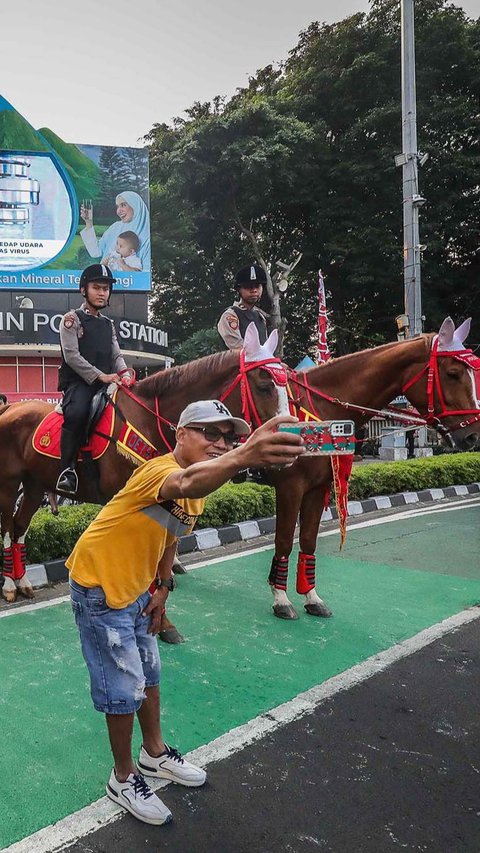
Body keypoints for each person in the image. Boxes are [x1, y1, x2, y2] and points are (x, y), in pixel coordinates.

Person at [66, 400, 304, 826]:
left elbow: (171, 533)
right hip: (100, 587)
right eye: (208, 433)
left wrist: (162, 587)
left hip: (140, 589)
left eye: (227, 436)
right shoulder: (161, 472)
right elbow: (187, 483)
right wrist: (244, 454)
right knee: (122, 687)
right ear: (180, 434)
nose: (220, 443)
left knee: (150, 676)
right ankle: (122, 778)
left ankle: (154, 754)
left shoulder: (202, 487)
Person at [56, 263, 133, 496]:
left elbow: (116, 355)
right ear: (84, 290)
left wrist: (125, 374)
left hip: (109, 381)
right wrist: (100, 376)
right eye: (97, 287)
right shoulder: (71, 319)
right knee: (78, 412)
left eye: (106, 288)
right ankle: (67, 470)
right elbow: (72, 356)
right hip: (80, 383)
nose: (102, 292)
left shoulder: (108, 324)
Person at [80, 191, 150, 271]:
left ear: (135, 205)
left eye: (123, 205)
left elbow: (145, 275)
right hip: (105, 281)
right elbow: (96, 252)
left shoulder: (147, 237)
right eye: (117, 206)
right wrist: (88, 222)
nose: (118, 211)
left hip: (129, 282)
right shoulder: (115, 227)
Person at [217, 263, 269, 349]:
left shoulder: (260, 317)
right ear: (239, 289)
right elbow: (239, 349)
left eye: (257, 286)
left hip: (261, 361)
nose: (254, 290)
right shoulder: (230, 315)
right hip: (239, 362)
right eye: (248, 287)